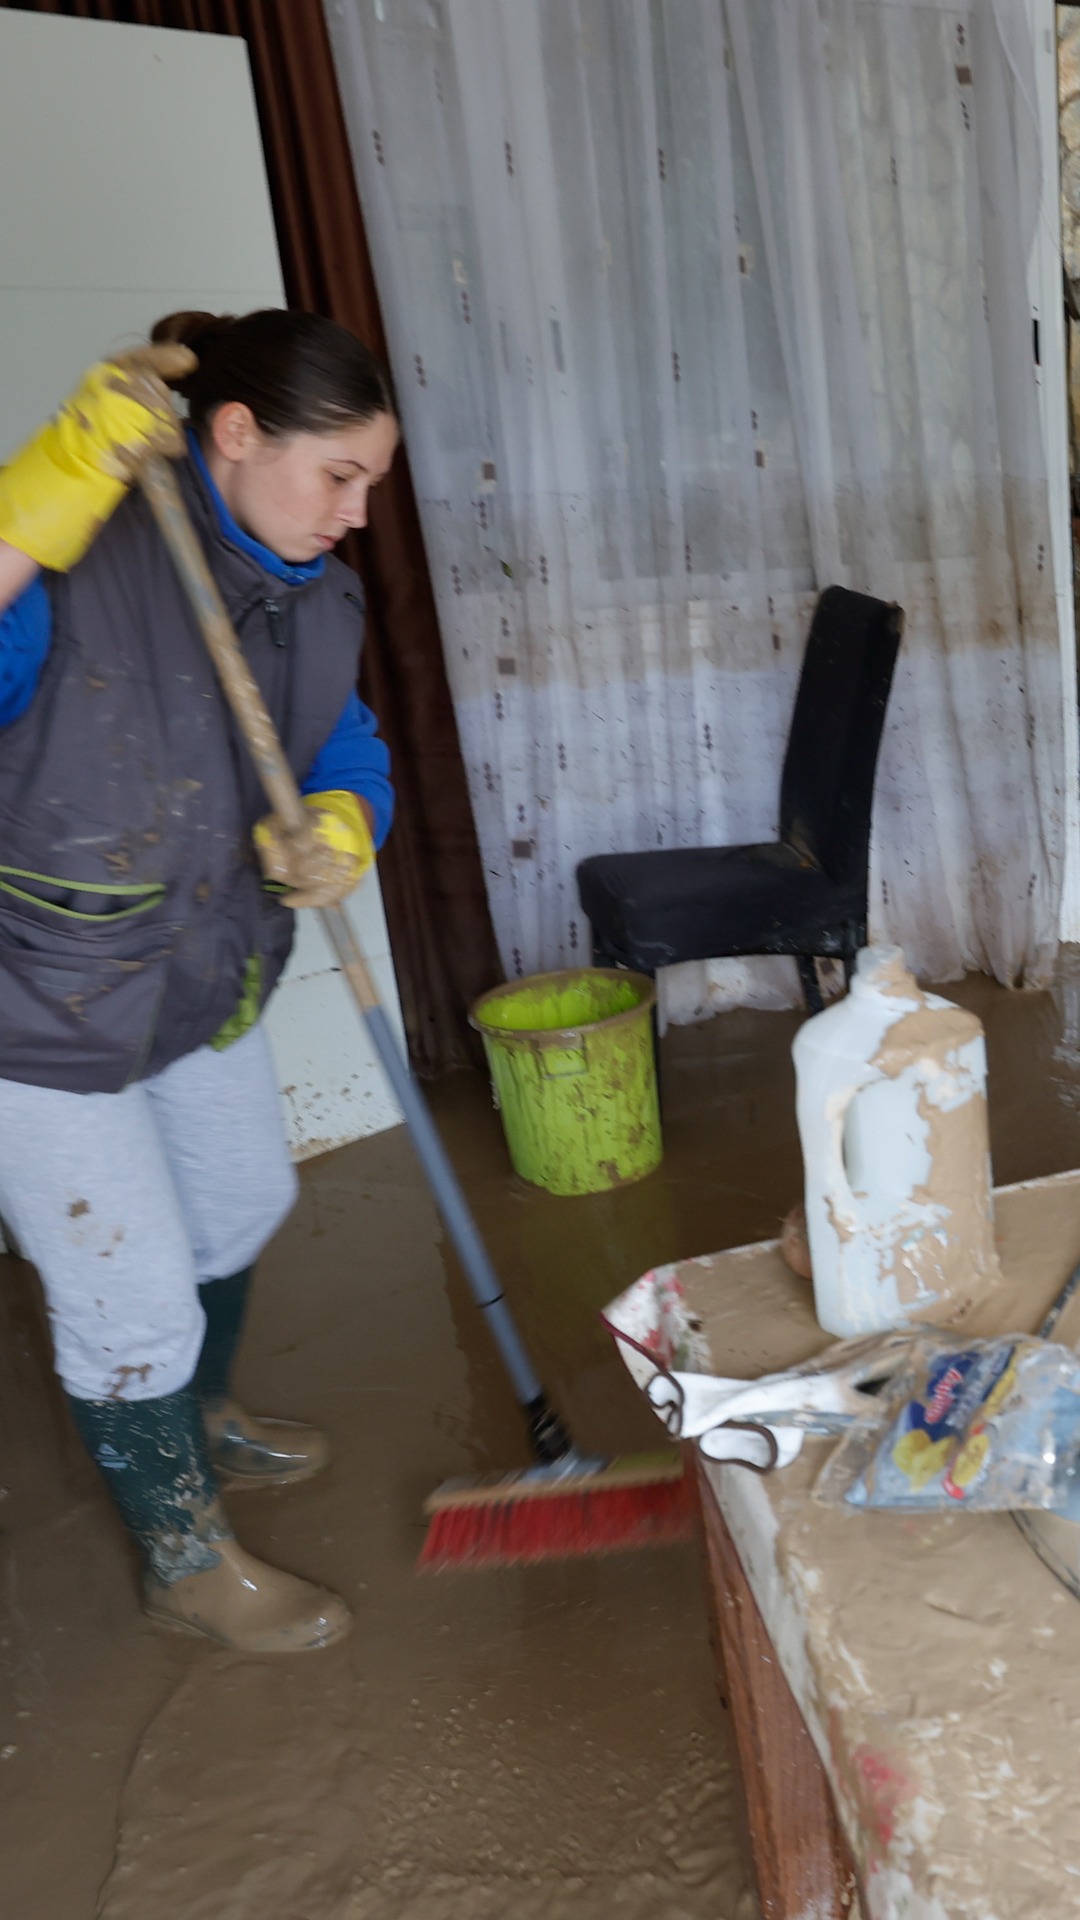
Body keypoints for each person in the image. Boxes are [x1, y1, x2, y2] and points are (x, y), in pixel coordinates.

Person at [0, 309, 400, 1653]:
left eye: (369, 482)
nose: (355, 513)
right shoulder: (71, 564)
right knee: (127, 1291)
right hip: (33, 997)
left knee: (241, 1196)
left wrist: (343, 819)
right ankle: (183, 1560)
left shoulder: (315, 595)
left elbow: (344, 740)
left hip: (200, 968)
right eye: (336, 475)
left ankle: (203, 1412)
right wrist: (43, 488)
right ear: (235, 435)